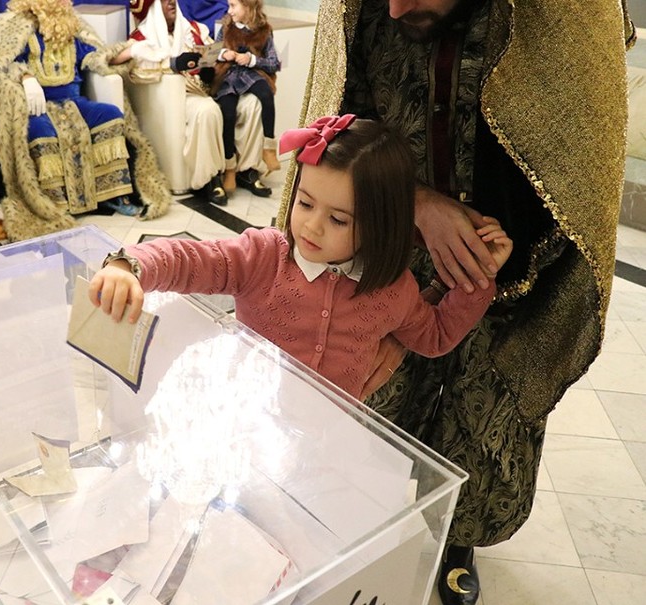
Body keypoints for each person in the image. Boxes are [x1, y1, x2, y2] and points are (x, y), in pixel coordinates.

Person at [275, 1, 635, 603]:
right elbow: (341, 114)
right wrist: (416, 202)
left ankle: (454, 541)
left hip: (510, 265)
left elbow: (581, 149)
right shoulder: (367, 8)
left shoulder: (570, 12)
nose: (395, 9)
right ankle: (359, 528)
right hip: (386, 239)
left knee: (481, 414)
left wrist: (502, 255)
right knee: (375, 399)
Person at [88, 116, 512, 400]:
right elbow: (190, 259)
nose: (311, 227)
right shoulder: (263, 257)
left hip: (326, 450)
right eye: (305, 203)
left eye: (338, 219)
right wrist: (130, 266)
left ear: (379, 225)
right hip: (246, 427)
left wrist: (480, 275)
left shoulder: (392, 290)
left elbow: (434, 335)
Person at [0, 0, 172, 244]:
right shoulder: (12, 25)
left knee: (110, 115)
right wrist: (25, 77)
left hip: (74, 101)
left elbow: (94, 56)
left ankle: (111, 195)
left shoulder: (73, 25)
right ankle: (54, 204)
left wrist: (131, 51)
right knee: (43, 131)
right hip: (37, 106)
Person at [110, 0, 270, 205]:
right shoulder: (141, 39)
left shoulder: (194, 29)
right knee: (207, 110)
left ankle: (247, 170)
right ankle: (210, 178)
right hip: (180, 96)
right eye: (164, 0)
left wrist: (214, 65)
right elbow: (136, 72)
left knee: (252, 103)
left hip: (212, 88)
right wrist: (173, 64)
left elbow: (214, 52)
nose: (171, 2)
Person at [213, 0, 281, 190]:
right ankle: (229, 168)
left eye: (233, 5)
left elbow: (274, 63)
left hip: (250, 75)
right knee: (228, 114)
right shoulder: (227, 27)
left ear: (248, 6)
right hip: (228, 77)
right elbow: (213, 52)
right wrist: (223, 54)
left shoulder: (264, 31)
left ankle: (268, 148)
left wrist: (252, 60)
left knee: (266, 95)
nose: (229, 10)